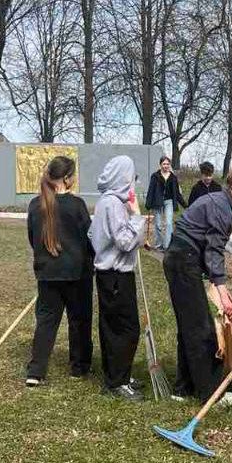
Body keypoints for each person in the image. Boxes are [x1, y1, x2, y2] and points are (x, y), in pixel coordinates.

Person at [164, 165, 232, 404]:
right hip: (184, 261)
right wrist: (222, 291)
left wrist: (219, 286)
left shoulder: (218, 200)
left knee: (189, 326)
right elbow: (214, 251)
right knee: (202, 329)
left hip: (178, 259)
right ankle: (210, 393)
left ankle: (184, 388)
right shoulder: (223, 209)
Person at [25, 156, 93, 386]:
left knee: (46, 321)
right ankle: (79, 366)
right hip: (77, 274)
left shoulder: (35, 205)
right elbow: (89, 239)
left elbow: (32, 239)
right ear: (67, 178)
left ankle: (35, 371)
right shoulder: (76, 205)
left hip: (48, 273)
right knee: (79, 320)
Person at [89, 156, 149, 401]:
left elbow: (92, 233)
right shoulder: (113, 204)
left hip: (111, 275)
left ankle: (120, 375)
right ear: (122, 177)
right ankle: (116, 383)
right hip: (115, 276)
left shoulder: (106, 202)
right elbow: (125, 241)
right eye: (131, 177)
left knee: (115, 326)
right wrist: (136, 216)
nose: (132, 183)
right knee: (124, 329)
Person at [144, 155, 187, 250]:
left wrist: (185, 205)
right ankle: (159, 244)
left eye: (167, 164)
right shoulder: (155, 176)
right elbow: (151, 190)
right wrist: (148, 203)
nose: (166, 166)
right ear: (160, 165)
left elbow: (177, 193)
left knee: (168, 223)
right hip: (157, 202)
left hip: (169, 202)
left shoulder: (173, 178)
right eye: (164, 164)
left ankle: (167, 246)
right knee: (158, 225)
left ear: (169, 165)